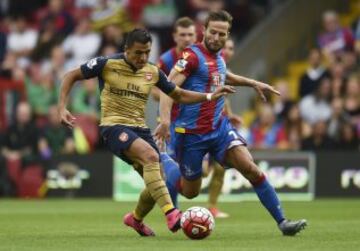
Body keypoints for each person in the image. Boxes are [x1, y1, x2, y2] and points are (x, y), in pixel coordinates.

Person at [58, 28, 234, 237]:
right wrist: (62, 107)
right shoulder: (106, 64)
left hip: (141, 130)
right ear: (126, 49)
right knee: (151, 156)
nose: (143, 57)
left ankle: (135, 219)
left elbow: (178, 94)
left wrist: (209, 96)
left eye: (147, 52)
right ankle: (172, 213)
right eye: (138, 53)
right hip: (113, 127)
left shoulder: (153, 72)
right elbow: (71, 75)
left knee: (160, 181)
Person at [156, 10, 307, 236]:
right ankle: (165, 159)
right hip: (191, 135)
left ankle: (283, 222)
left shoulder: (219, 57)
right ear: (204, 31)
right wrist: (165, 121)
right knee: (190, 193)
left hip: (219, 129)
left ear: (227, 35)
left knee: (250, 168)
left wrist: (254, 83)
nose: (217, 38)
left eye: (222, 34)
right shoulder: (192, 56)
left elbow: (224, 75)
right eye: (213, 32)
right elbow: (168, 89)